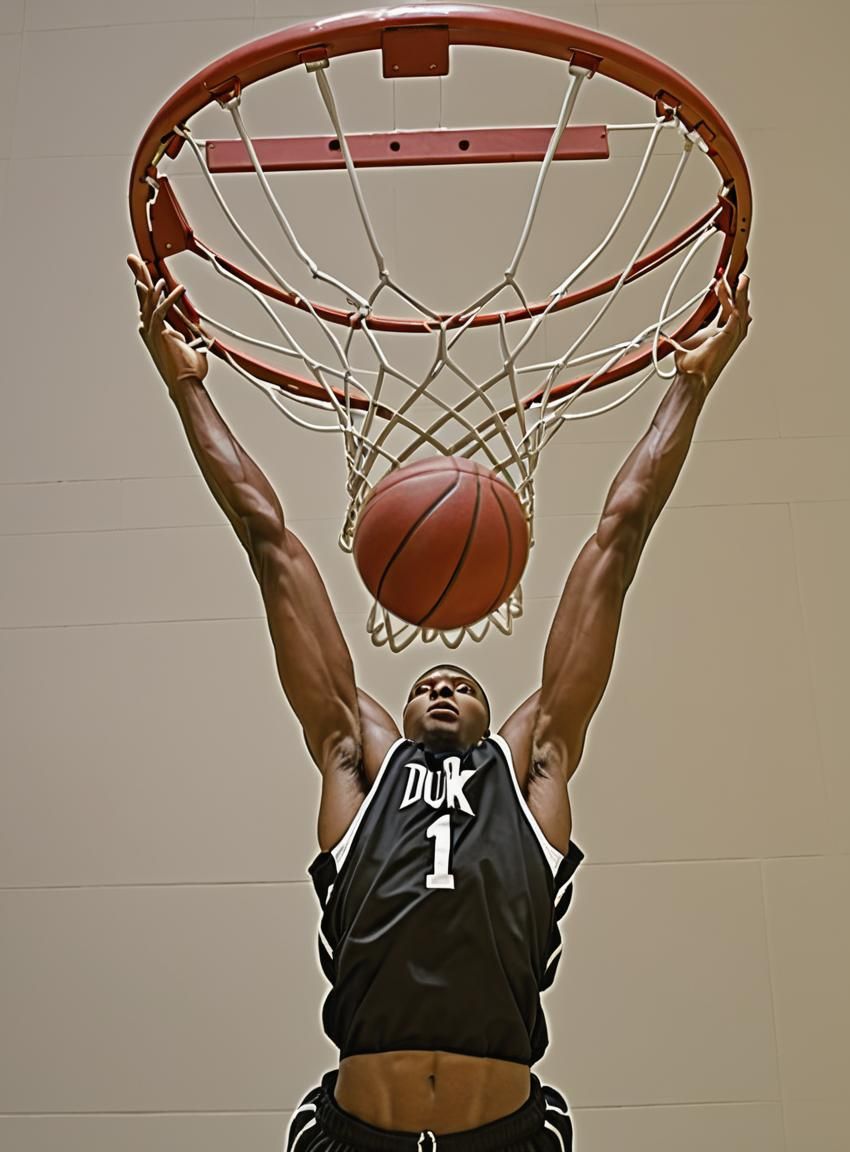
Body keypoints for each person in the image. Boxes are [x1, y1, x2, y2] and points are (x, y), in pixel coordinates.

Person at [127, 254, 751, 1152]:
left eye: (460, 681)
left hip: (502, 1129)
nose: (443, 683)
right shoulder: (356, 758)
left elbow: (619, 538)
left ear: (500, 712)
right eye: (427, 683)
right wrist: (186, 388)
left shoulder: (532, 764)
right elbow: (271, 542)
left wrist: (691, 386)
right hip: (358, 1130)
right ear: (397, 714)